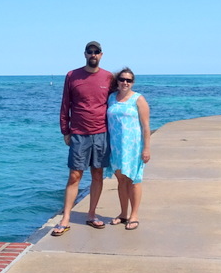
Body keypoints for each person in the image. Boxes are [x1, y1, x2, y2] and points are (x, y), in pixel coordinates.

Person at [53, 41, 114, 236]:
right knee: (74, 175)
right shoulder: (72, 76)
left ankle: (92, 214)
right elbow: (65, 105)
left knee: (97, 174)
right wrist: (65, 130)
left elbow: (114, 104)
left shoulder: (108, 77)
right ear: (85, 54)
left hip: (101, 133)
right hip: (79, 133)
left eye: (96, 52)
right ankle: (66, 218)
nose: (93, 55)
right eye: (90, 52)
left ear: (101, 55)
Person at [106, 67, 151, 230]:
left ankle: (134, 215)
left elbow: (146, 127)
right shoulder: (111, 98)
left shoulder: (138, 99)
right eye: (122, 79)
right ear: (117, 81)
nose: (125, 82)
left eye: (129, 80)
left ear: (132, 83)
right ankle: (123, 213)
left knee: (134, 180)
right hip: (116, 147)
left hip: (133, 147)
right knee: (121, 180)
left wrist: (146, 148)